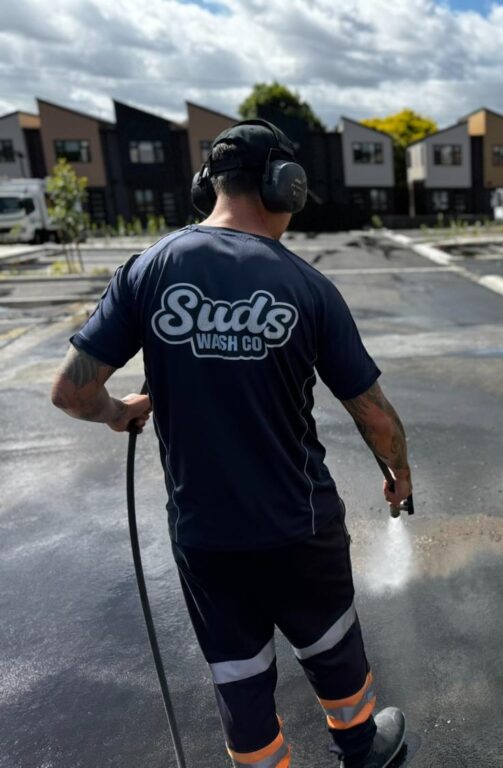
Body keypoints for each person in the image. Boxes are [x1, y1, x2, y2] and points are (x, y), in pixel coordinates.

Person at [50, 119, 410, 768]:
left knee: (239, 677)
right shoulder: (308, 287)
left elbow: (72, 391)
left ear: (205, 188)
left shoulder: (148, 269)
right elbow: (377, 417)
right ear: (286, 187)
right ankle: (362, 750)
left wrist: (118, 411)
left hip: (205, 534)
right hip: (301, 524)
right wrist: (399, 473)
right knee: (332, 645)